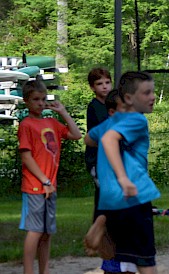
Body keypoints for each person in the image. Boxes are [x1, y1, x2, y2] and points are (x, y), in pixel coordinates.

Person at [97, 71, 161, 274]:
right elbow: (108, 140)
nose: (152, 97)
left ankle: (100, 223)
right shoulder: (137, 120)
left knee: (125, 258)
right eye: (146, 93)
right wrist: (124, 178)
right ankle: (100, 224)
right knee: (144, 260)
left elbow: (90, 139)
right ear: (129, 99)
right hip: (135, 195)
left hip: (114, 200)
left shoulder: (111, 123)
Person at [18, 80, 82, 274]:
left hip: (50, 186)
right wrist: (44, 181)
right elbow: (27, 156)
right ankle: (28, 271)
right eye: (35, 99)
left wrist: (62, 112)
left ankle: (44, 270)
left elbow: (76, 134)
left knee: (46, 233)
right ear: (26, 101)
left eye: (43, 99)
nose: (40, 103)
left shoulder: (51, 122)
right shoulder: (26, 125)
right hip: (35, 186)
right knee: (35, 231)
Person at [84, 89, 135, 274]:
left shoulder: (105, 127)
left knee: (112, 236)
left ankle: (102, 221)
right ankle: (103, 221)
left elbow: (87, 139)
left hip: (108, 186)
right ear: (112, 112)